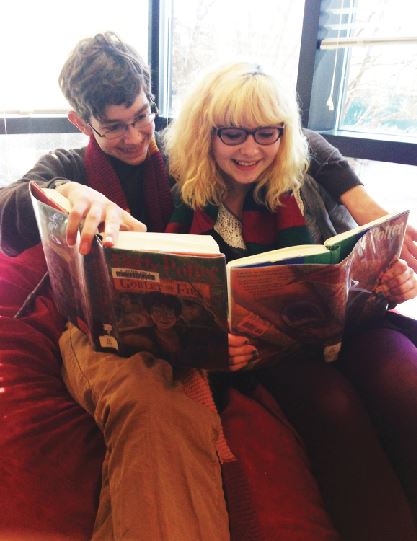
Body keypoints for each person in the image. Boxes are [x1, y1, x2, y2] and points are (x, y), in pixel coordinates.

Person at [0, 32, 415, 540]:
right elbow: (9, 204)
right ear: (81, 123)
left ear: (151, 103)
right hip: (120, 324)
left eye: (141, 117)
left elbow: (295, 138)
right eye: (113, 128)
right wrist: (66, 191)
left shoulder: (178, 152)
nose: (134, 138)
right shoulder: (69, 166)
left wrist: (361, 201)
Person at [164, 61, 417, 540]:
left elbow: (358, 261)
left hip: (353, 329)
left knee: (407, 384)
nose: (251, 149)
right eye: (233, 133)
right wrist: (214, 347)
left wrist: (394, 281)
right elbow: (180, 315)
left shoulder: (306, 181)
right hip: (275, 354)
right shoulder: (185, 203)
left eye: (267, 133)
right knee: (334, 408)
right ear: (206, 133)